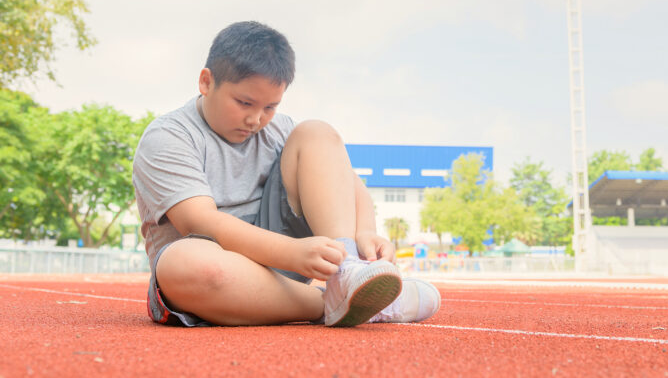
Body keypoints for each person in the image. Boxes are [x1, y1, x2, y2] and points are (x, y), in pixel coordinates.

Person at [132, 21, 440, 327]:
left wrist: (365, 233)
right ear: (205, 82)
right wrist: (292, 252)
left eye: (270, 107)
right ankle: (332, 303)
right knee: (181, 265)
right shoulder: (169, 137)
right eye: (244, 103)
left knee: (317, 132)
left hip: (289, 267)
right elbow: (200, 222)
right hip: (224, 271)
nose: (256, 119)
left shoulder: (281, 131)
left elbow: (347, 180)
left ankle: (347, 271)